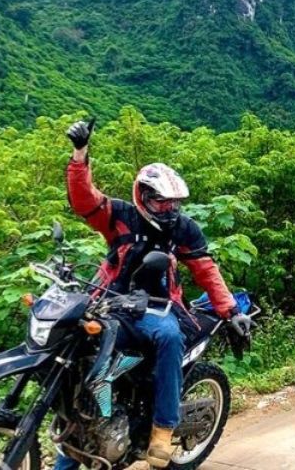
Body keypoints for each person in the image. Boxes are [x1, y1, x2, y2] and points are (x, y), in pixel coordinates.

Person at [55, 119, 252, 470]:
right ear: (143, 196)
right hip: (109, 302)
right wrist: (80, 153)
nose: (169, 209)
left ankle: (162, 429)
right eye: (161, 202)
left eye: (173, 203)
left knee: (169, 337)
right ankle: (85, 422)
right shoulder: (121, 216)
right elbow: (84, 200)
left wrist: (231, 310)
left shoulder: (184, 229)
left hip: (158, 309)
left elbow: (205, 269)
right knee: (77, 349)